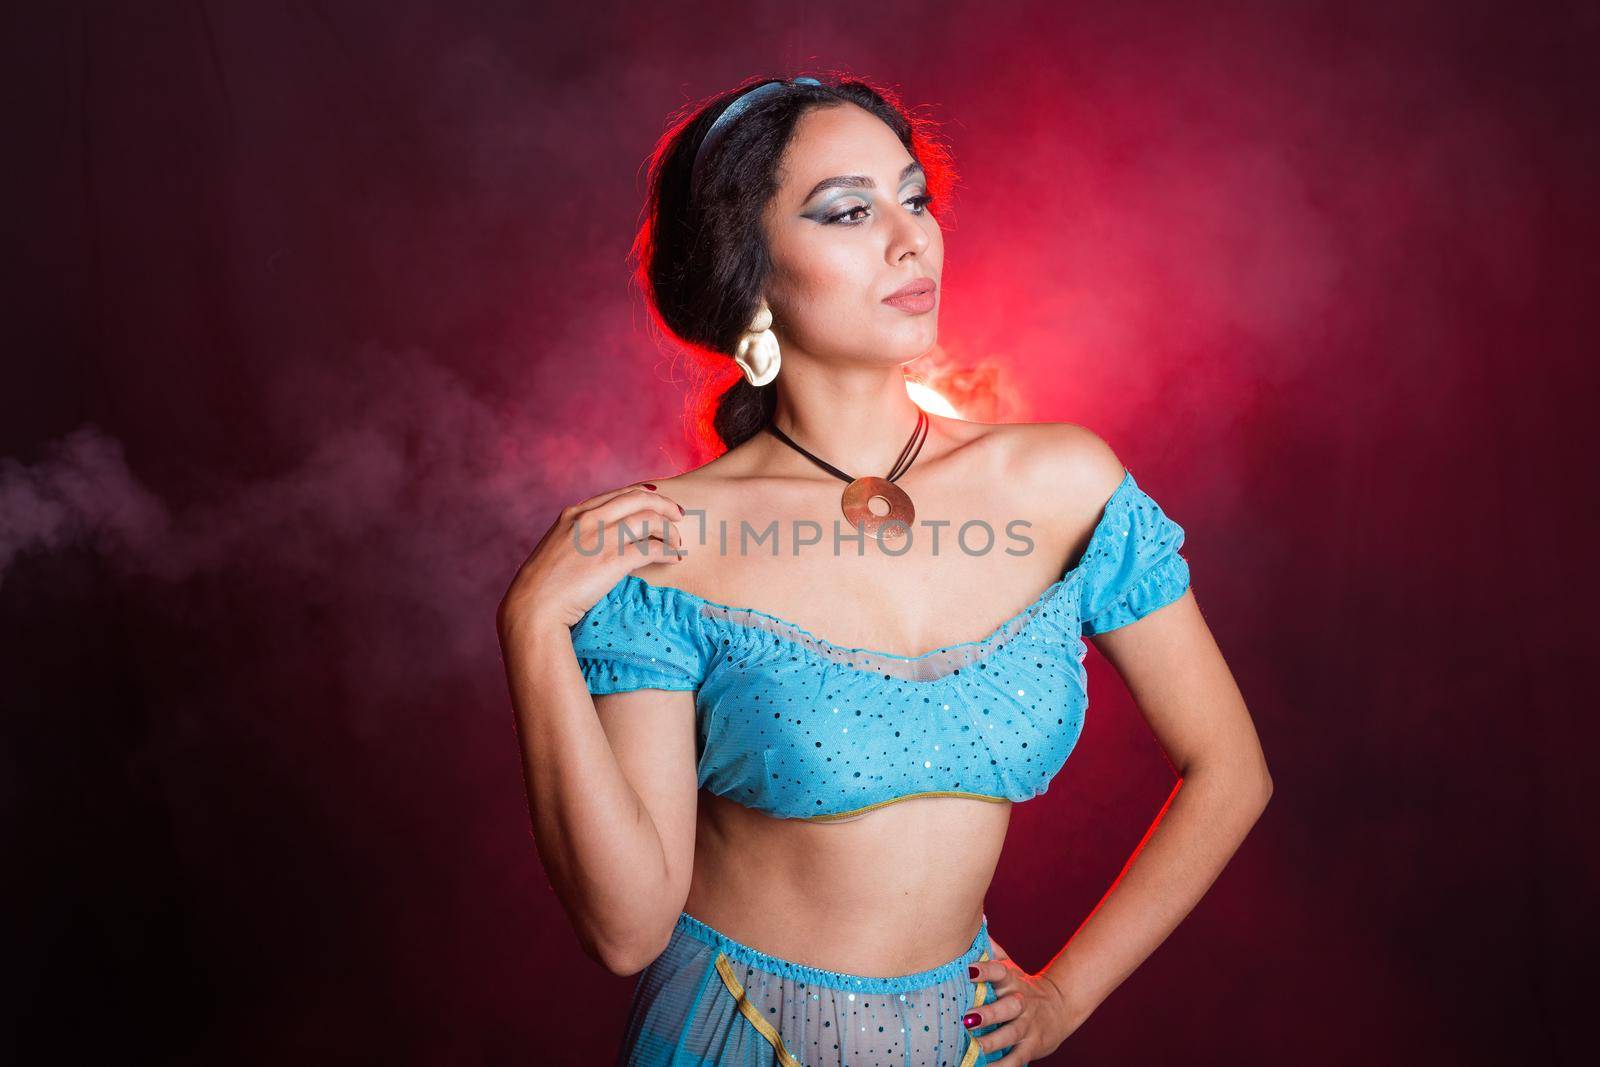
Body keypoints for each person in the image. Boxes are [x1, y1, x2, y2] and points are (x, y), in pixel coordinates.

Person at [496, 73, 1272, 1067]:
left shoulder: (1060, 479)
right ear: (750, 271)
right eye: (849, 212)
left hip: (962, 1042)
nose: (910, 239)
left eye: (915, 199)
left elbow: (1229, 770)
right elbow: (627, 929)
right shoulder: (669, 542)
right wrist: (530, 631)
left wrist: (1064, 998)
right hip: (737, 1031)